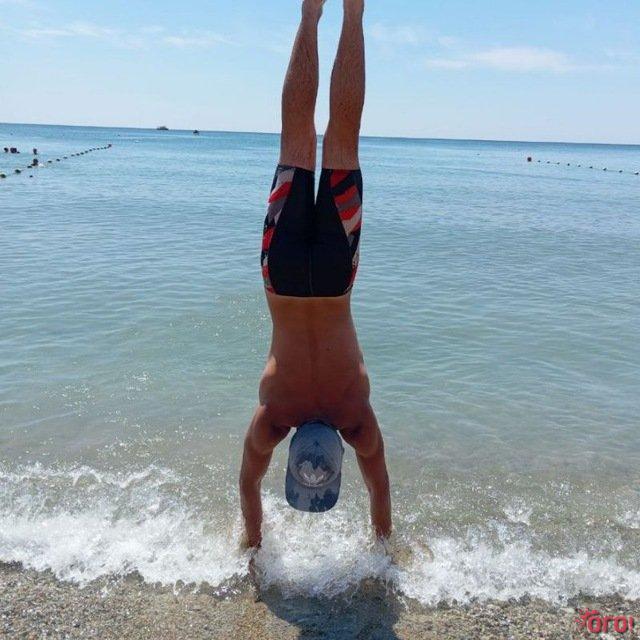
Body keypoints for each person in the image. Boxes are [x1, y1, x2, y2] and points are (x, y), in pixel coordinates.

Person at [240, 0, 391, 550]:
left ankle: (350, 13)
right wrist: (252, 544)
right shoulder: (271, 420)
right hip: (281, 277)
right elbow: (247, 487)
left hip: (333, 275)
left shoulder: (357, 421)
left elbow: (380, 493)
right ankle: (311, 14)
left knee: (343, 137)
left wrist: (384, 548)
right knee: (296, 140)